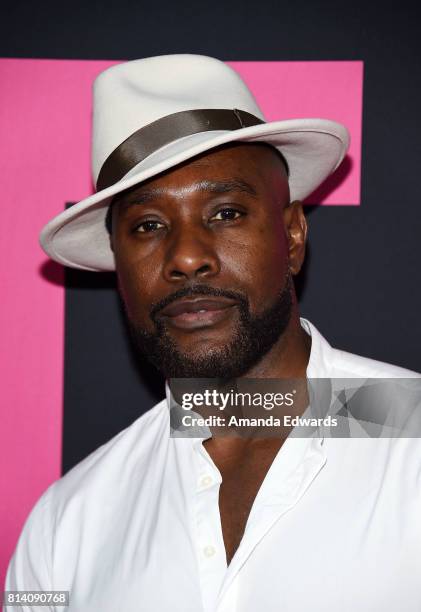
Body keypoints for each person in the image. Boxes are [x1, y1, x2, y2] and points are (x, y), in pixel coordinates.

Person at [5, 54, 421, 612]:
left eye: (225, 213)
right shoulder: (66, 524)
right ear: (118, 265)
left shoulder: (408, 429)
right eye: (147, 226)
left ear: (292, 236)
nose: (187, 257)